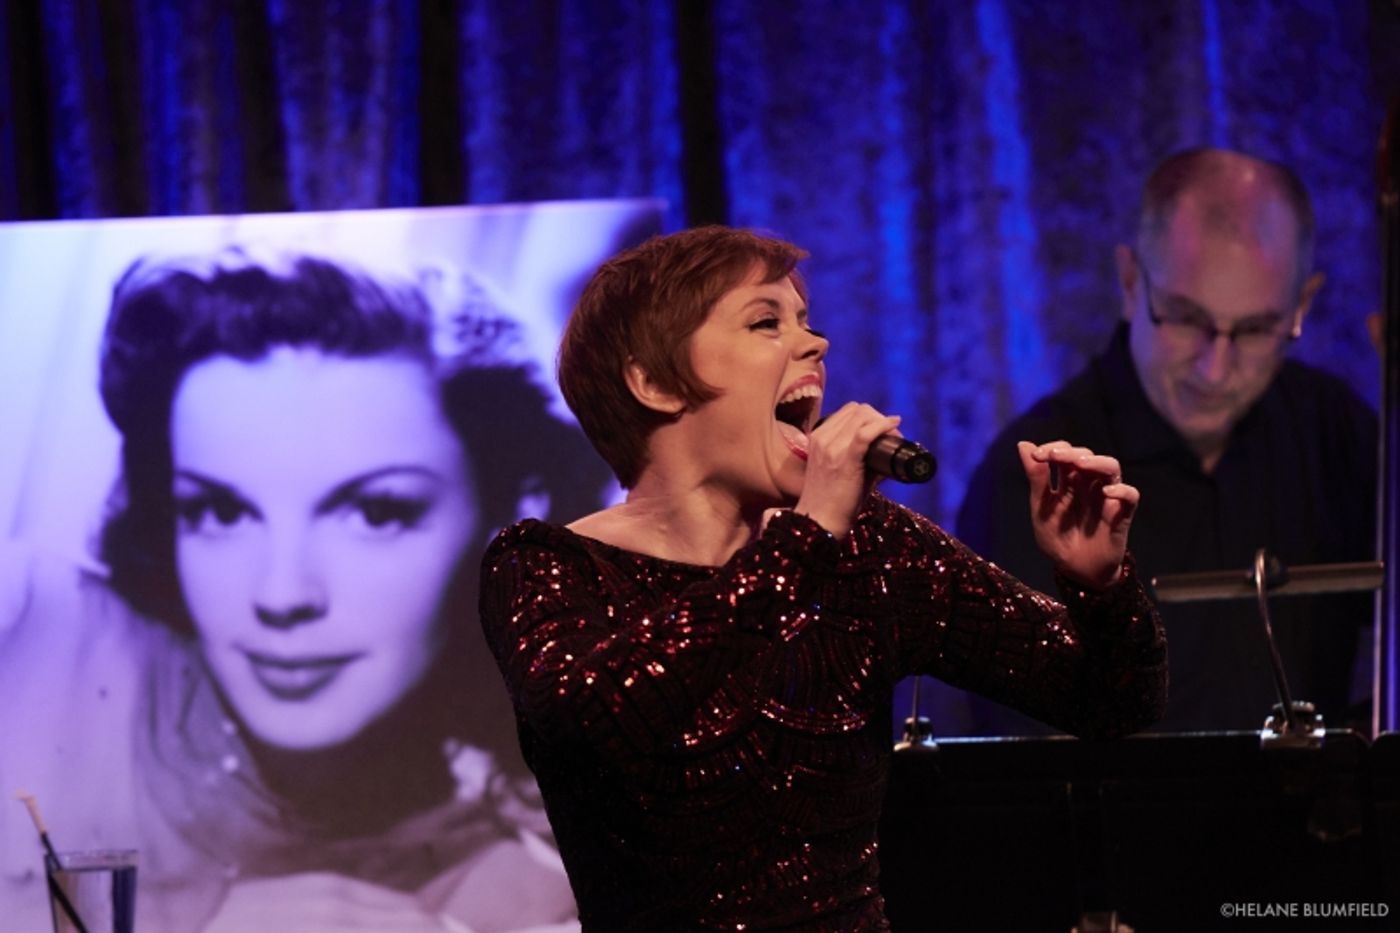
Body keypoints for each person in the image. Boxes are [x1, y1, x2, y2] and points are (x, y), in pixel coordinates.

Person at [478, 225, 1167, 931]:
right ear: (652, 382)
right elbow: (599, 720)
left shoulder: (870, 547)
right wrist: (806, 539)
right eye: (766, 321)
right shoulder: (547, 565)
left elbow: (1110, 703)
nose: (817, 343)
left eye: (805, 320)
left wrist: (1099, 587)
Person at [0, 252, 600, 932]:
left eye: (376, 512)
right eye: (220, 512)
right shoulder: (27, 625)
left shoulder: (549, 865)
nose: (281, 594)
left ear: (511, 513)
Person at [956, 147, 1378, 735]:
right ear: (1131, 283)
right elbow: (1024, 759)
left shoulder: (1342, 437)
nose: (1215, 369)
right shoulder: (1031, 478)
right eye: (1185, 318)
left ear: (1302, 307)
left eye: (1256, 329)